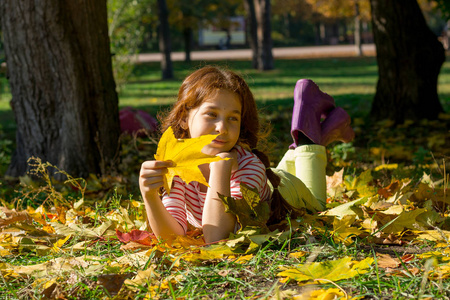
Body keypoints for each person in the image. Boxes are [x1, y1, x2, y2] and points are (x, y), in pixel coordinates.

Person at [139, 66, 354, 243]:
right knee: (276, 171)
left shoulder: (248, 168)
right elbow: (172, 237)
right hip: (272, 177)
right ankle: (332, 125)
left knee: (318, 205)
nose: (221, 128)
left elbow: (218, 238)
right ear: (185, 118)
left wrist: (220, 169)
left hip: (290, 193)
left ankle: (309, 120)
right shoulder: (177, 167)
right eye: (211, 114)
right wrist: (150, 197)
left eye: (233, 118)